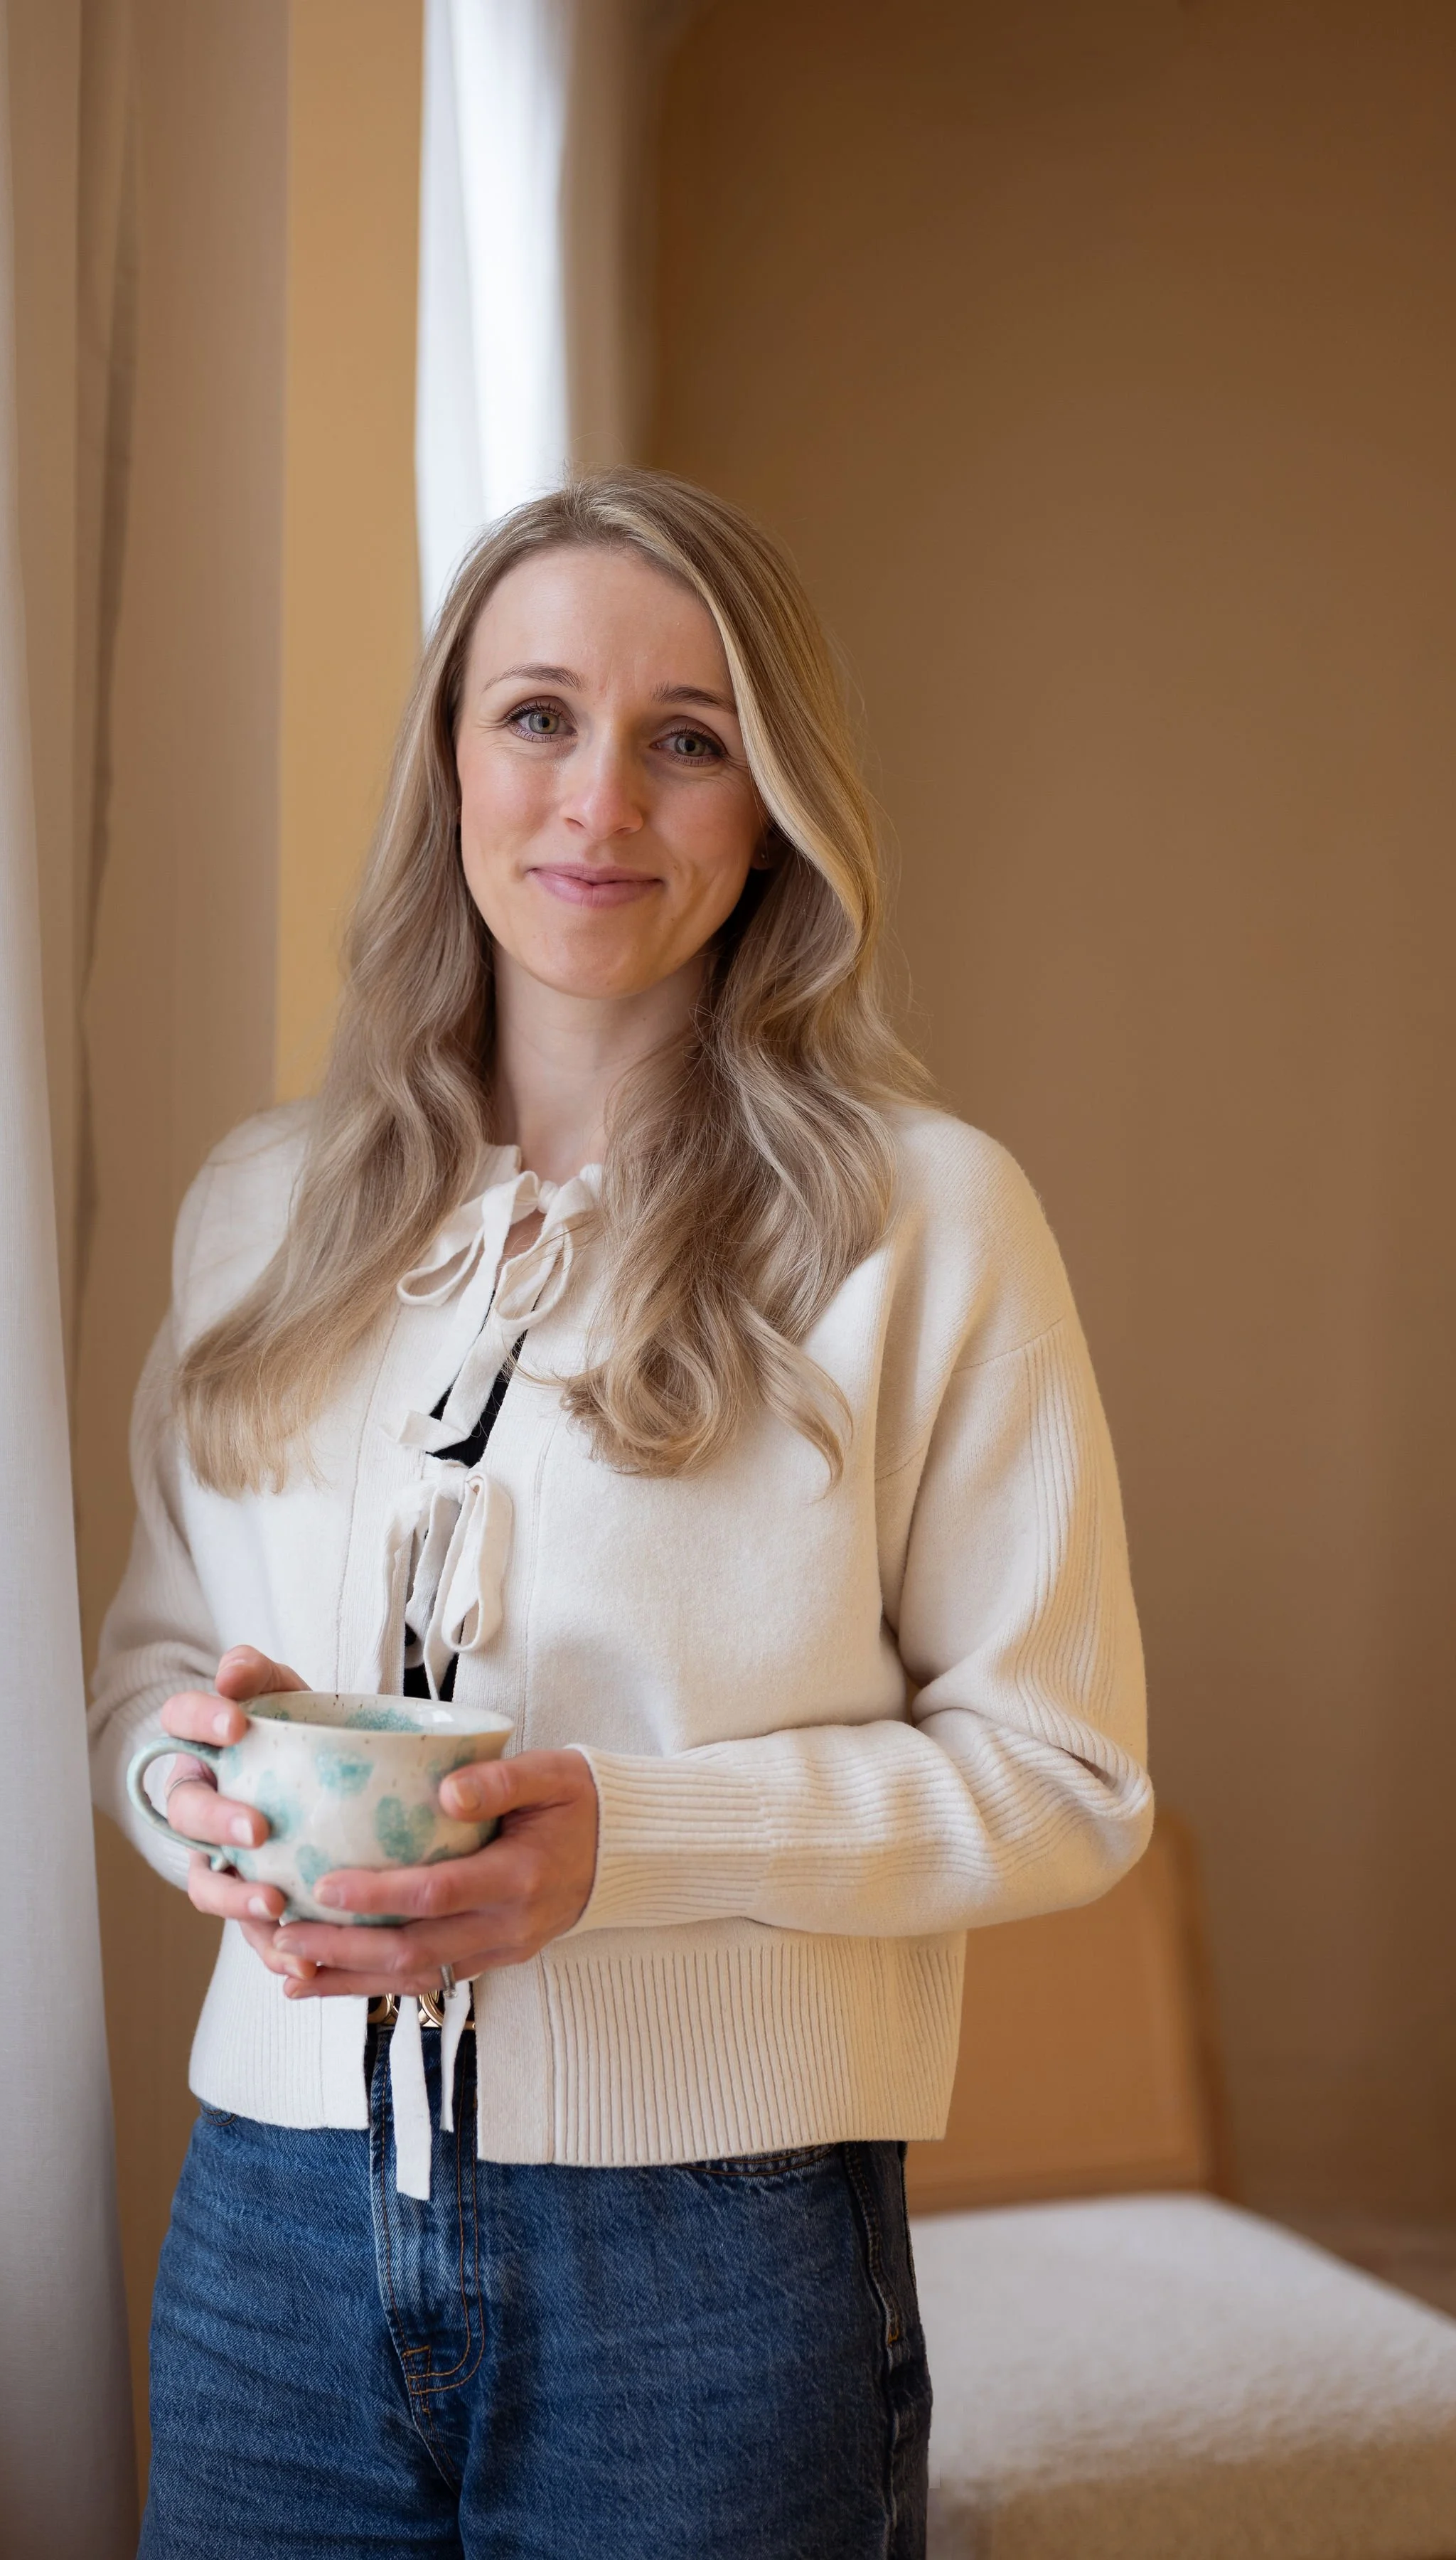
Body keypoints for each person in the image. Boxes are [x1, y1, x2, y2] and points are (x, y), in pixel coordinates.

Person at [90, 470, 1152, 2560]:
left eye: (690, 738)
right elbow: (148, 1660)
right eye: (538, 716)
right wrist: (185, 1781)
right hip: (271, 2233)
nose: (599, 802)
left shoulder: (922, 1222)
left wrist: (631, 1849)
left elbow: (1067, 1776)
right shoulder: (259, 1208)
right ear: (449, 761)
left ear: (773, 808)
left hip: (716, 2262)